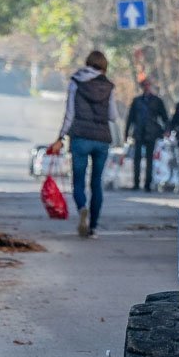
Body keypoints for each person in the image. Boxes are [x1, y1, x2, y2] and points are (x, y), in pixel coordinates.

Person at [48, 50, 119, 238]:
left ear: (88, 62)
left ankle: (82, 208)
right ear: (104, 66)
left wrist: (61, 136)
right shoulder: (109, 86)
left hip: (80, 137)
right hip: (102, 139)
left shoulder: (76, 81)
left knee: (78, 181)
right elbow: (113, 116)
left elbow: (69, 113)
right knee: (96, 183)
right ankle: (93, 227)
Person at [125, 78, 168, 191]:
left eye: (148, 85)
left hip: (151, 133)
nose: (146, 87)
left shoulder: (157, 101)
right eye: (144, 85)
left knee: (150, 159)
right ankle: (136, 183)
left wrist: (166, 130)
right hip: (138, 132)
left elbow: (164, 117)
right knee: (137, 158)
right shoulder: (136, 101)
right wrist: (126, 133)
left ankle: (148, 184)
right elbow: (130, 118)